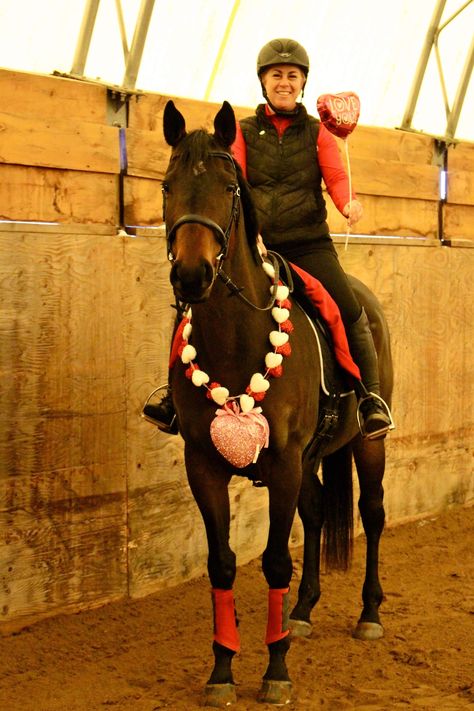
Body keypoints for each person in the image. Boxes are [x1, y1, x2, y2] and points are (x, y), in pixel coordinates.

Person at [144, 37, 392, 439]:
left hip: (309, 242)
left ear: (302, 84)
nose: (284, 82)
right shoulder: (241, 131)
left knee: (349, 309)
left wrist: (348, 204)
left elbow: (337, 176)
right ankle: (173, 397)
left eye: (292, 76)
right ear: (263, 82)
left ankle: (369, 399)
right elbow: (236, 180)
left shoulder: (318, 132)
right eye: (276, 75)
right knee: (191, 304)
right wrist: (251, 236)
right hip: (255, 243)